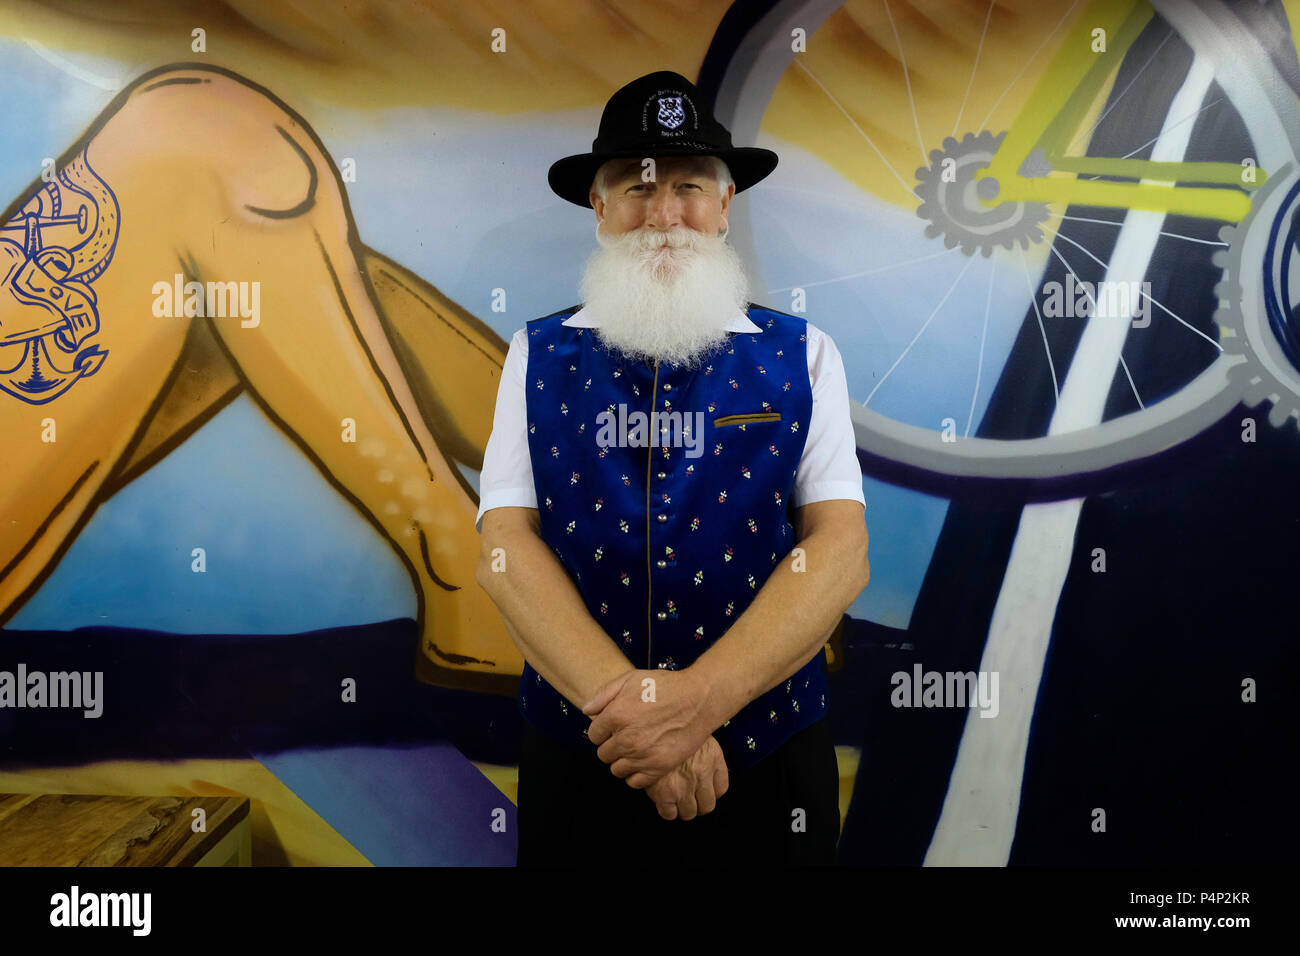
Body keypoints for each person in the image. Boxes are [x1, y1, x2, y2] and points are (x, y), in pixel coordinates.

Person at [475, 71, 870, 866]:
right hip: (585, 754)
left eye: (689, 186)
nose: (663, 216)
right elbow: (504, 547)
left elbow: (840, 551)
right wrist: (644, 723)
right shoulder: (536, 354)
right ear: (598, 207)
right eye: (634, 187)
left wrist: (695, 707)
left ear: (726, 206)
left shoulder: (803, 354)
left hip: (767, 756)